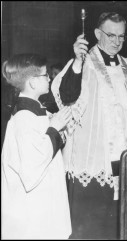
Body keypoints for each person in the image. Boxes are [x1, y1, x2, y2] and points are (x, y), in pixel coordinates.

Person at [51, 12, 127, 239]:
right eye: (111, 35)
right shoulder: (83, 62)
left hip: (123, 153)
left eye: (121, 36)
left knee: (120, 220)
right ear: (96, 34)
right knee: (91, 224)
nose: (116, 41)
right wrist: (76, 60)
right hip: (92, 154)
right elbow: (66, 95)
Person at [1, 53, 72, 239]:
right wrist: (55, 128)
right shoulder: (25, 117)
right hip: (31, 207)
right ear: (32, 82)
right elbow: (32, 166)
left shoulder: (37, 110)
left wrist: (61, 130)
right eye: (45, 74)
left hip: (42, 200)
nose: (49, 78)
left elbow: (46, 144)